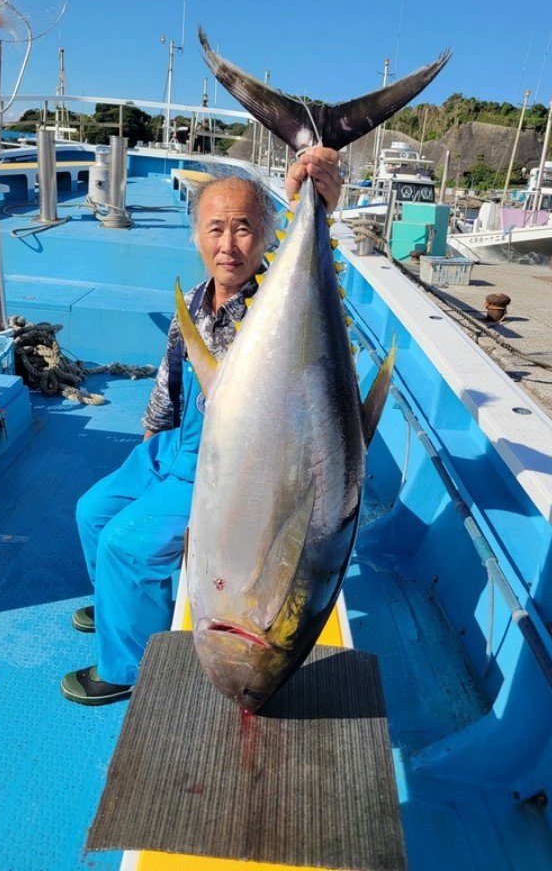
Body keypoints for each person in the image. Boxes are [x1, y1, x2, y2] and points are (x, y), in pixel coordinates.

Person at [61, 149, 342, 706]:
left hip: (228, 462)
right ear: (196, 236)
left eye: (245, 229)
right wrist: (150, 444)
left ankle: (130, 666)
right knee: (93, 511)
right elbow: (170, 379)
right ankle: (122, 602)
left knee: (126, 544)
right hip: (174, 446)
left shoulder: (270, 303)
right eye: (216, 229)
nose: (228, 244)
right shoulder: (194, 299)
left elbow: (313, 317)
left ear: (266, 239)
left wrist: (315, 202)